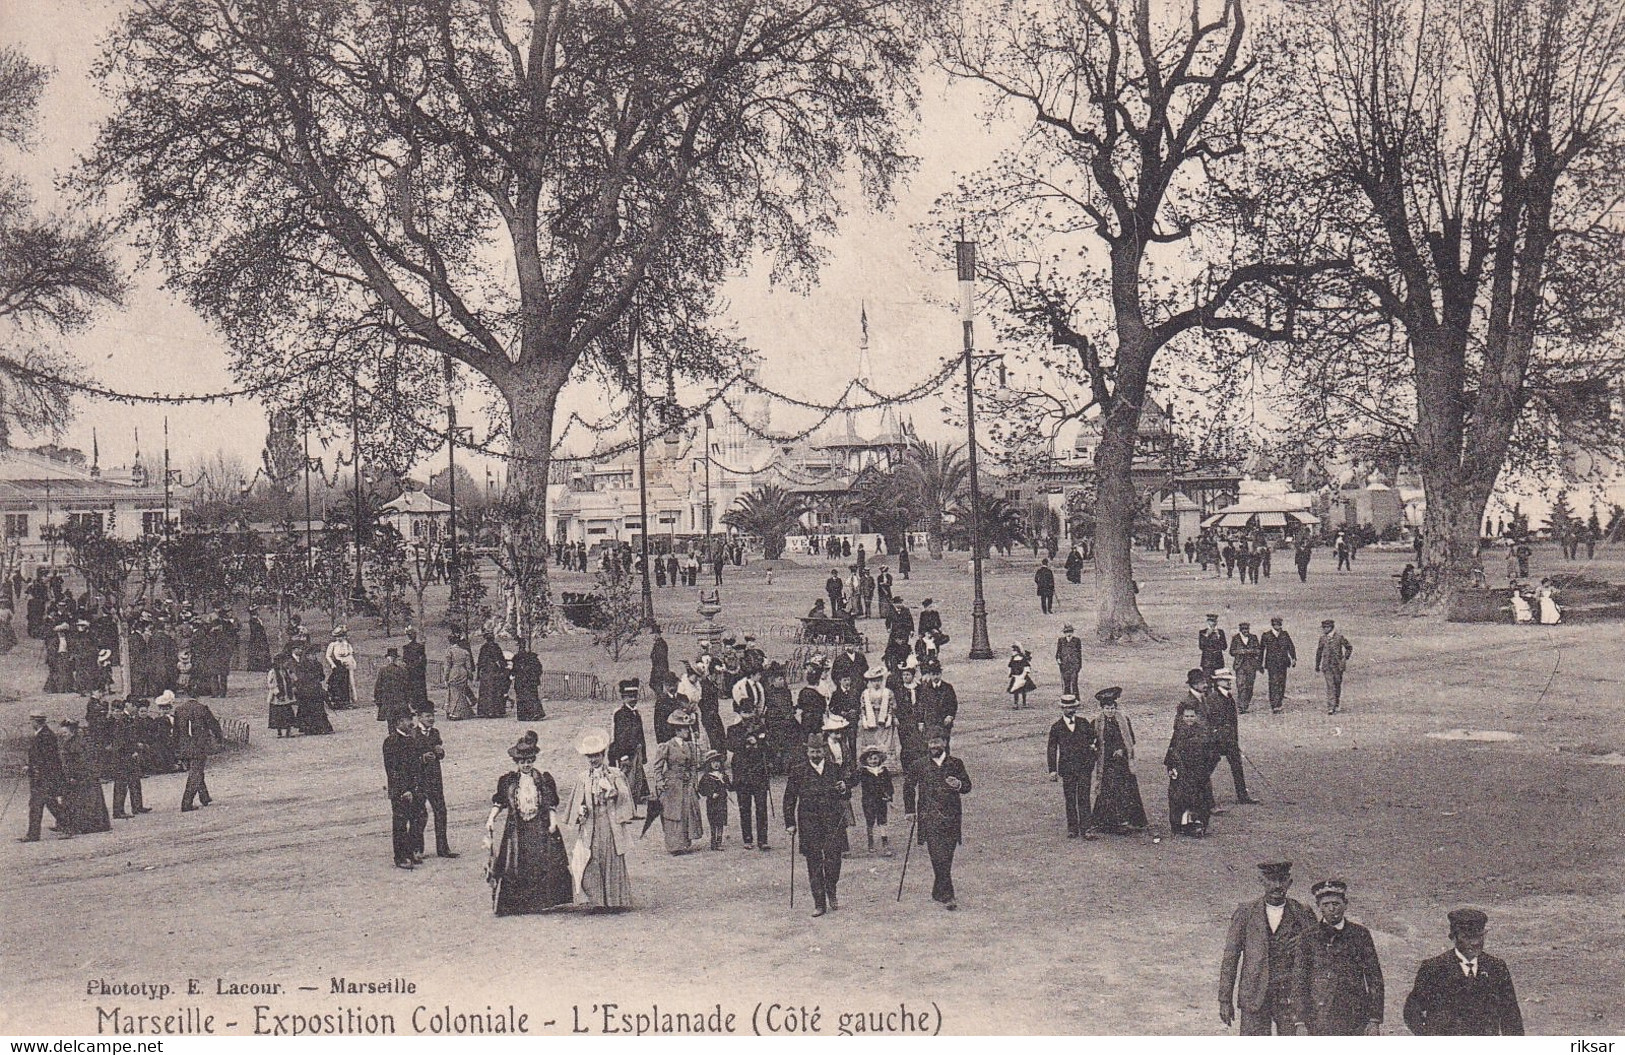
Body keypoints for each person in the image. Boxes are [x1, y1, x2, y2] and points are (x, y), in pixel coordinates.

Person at [1219, 861, 1317, 1034]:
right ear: (1261, 881)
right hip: (1254, 996)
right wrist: (1225, 1000)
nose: (1277, 886)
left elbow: (1318, 955)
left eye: (1281, 880)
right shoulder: (1246, 913)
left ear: (1289, 882)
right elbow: (1230, 957)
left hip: (1290, 997)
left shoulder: (1302, 913)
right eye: (1271, 880)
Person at [484, 737, 572, 915]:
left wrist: (553, 822)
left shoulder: (543, 780)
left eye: (529, 761)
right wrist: (491, 818)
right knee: (516, 864)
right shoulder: (508, 781)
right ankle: (518, 904)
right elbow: (500, 803)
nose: (526, 765)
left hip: (539, 827)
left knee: (539, 863)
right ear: (516, 762)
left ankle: (539, 903)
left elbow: (550, 804)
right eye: (522, 762)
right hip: (516, 829)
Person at [1403, 908, 1524, 1035]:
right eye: (1467, 937)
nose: (1475, 942)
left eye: (1479, 936)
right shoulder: (1434, 968)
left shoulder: (1496, 968)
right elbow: (1412, 1011)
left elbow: (1511, 1017)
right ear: (1453, 938)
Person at [1292, 878, 1384, 1035]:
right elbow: (1299, 979)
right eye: (1326, 905)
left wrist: (1374, 1019)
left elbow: (1374, 977)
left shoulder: (1360, 934)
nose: (1331, 909)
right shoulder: (1307, 937)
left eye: (1336, 904)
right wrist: (1300, 1021)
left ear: (1345, 904)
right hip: (1318, 1017)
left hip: (1354, 1017)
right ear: (1318, 907)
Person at [561, 728, 636, 909]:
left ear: (603, 754)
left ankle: (615, 901)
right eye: (589, 756)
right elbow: (575, 803)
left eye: (596, 755)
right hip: (591, 825)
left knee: (611, 858)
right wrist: (581, 811)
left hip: (609, 823)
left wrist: (615, 793)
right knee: (590, 859)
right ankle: (598, 901)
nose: (593, 759)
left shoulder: (615, 774)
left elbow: (626, 798)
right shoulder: (583, 778)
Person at [903, 728, 972, 910]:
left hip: (951, 817)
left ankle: (937, 889)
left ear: (945, 743)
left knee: (946, 856)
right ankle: (948, 896)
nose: (933, 745)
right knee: (937, 856)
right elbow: (908, 786)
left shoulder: (956, 764)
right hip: (929, 816)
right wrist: (909, 810)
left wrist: (959, 784)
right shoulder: (919, 765)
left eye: (937, 741)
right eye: (930, 742)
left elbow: (967, 786)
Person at [784, 733, 850, 917]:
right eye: (812, 751)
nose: (815, 754)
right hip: (808, 821)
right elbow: (789, 798)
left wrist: (845, 789)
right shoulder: (798, 771)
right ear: (807, 752)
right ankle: (819, 902)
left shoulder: (834, 768)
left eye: (818, 751)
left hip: (832, 821)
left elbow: (845, 794)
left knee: (834, 859)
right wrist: (790, 823)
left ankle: (831, 887)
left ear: (824, 751)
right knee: (813, 861)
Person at [1089, 687, 1146, 833]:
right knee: (1108, 790)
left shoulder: (1123, 721)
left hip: (1122, 763)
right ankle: (1107, 822)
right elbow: (1092, 741)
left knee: (1126, 789)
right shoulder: (1096, 723)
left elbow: (1130, 739)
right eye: (1107, 708)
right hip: (1106, 763)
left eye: (1112, 708)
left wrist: (1122, 749)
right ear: (1102, 709)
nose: (1110, 711)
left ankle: (1129, 820)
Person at [649, 710, 705, 854]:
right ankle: (674, 845)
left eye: (688, 728)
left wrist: (693, 781)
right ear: (677, 730)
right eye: (684, 728)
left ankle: (685, 842)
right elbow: (657, 766)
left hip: (686, 783)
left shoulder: (690, 746)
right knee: (673, 814)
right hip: (672, 784)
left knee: (686, 812)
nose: (687, 731)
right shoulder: (666, 746)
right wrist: (660, 782)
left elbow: (693, 765)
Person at [1047, 694, 1098, 839]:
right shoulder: (1056, 727)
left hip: (1084, 768)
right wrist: (1052, 770)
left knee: (1084, 797)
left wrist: (1091, 759)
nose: (1070, 710)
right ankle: (1072, 828)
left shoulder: (1083, 723)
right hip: (1067, 769)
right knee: (1070, 798)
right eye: (1067, 708)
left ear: (1076, 708)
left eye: (1072, 707)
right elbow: (1051, 749)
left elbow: (1094, 741)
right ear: (1062, 709)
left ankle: (1086, 828)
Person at [726, 697, 773, 850]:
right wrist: (747, 740)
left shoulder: (762, 728)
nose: (748, 716)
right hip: (742, 774)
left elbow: (770, 746)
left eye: (750, 712)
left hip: (759, 772)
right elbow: (731, 746)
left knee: (761, 807)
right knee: (744, 808)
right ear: (740, 713)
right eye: (745, 713)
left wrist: (758, 742)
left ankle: (763, 840)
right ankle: (747, 838)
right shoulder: (733, 729)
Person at [1204, 668, 1256, 806]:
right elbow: (1214, 721)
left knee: (1237, 767)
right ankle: (1199, 793)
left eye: (1228, 680)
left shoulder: (1228, 697)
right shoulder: (1213, 698)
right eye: (1225, 680)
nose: (1228, 682)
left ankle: (1243, 796)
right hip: (1218, 741)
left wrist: (1234, 739)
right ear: (1218, 682)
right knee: (1207, 768)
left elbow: (1232, 723)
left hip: (1230, 740)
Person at [1165, 702, 1216, 837]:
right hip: (1181, 772)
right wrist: (1171, 768)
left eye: (1191, 716)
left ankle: (1198, 825)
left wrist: (1205, 770)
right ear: (1182, 717)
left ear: (1196, 716)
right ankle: (1180, 825)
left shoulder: (1203, 733)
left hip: (1198, 772)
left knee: (1199, 798)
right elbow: (1171, 751)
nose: (1189, 719)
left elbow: (1211, 754)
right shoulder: (1178, 732)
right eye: (1186, 716)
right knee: (1178, 798)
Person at [20, 711, 70, 841]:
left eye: (32, 721)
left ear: (36, 722)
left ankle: (68, 827)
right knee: (41, 804)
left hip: (45, 777)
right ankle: (33, 834)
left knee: (46, 804)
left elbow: (48, 759)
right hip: (39, 777)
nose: (31, 723)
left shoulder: (47, 736)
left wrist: (30, 767)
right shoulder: (41, 734)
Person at [383, 711, 424, 868]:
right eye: (408, 720)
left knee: (415, 820)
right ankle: (400, 857)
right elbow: (393, 770)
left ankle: (410, 853)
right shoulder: (391, 742)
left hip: (413, 789)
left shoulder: (410, 739)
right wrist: (403, 790)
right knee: (400, 824)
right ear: (399, 722)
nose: (412, 723)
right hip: (400, 791)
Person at [414, 709, 456, 858]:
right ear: (419, 717)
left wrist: (440, 752)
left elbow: (440, 753)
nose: (431, 719)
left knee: (441, 811)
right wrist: (422, 758)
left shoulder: (435, 733)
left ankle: (443, 848)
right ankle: (417, 849)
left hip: (435, 779)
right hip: (419, 779)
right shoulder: (413, 734)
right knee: (419, 814)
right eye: (427, 716)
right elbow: (409, 759)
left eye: (432, 716)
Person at [57, 718, 110, 835]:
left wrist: (74, 775)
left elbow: (81, 762)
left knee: (87, 801)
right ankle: (72, 824)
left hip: (83, 776)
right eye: (61, 734)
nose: (63, 735)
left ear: (72, 732)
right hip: (79, 776)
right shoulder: (69, 742)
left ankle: (87, 825)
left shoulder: (77, 743)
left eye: (65, 733)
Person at [174, 696, 223, 812]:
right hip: (199, 746)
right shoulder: (202, 709)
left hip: (185, 746)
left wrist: (176, 748)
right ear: (198, 697)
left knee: (196, 771)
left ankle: (204, 796)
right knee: (195, 774)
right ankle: (186, 802)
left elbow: (176, 731)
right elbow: (214, 725)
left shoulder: (179, 709)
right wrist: (219, 739)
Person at [105, 697, 151, 819]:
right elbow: (121, 742)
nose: (118, 713)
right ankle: (118, 810)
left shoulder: (123, 721)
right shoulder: (113, 723)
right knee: (121, 784)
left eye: (119, 711)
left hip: (126, 755)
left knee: (134, 780)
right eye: (115, 711)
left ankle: (137, 806)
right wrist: (132, 751)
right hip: (121, 756)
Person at [610, 678, 650, 808]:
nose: (633, 699)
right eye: (629, 697)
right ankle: (625, 808)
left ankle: (634, 806)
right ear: (623, 698)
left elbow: (641, 735)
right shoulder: (621, 714)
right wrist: (623, 756)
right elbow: (620, 737)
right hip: (627, 754)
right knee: (626, 781)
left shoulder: (636, 714)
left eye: (635, 696)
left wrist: (643, 754)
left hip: (636, 752)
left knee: (636, 780)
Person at [856, 664, 899, 765]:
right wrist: (864, 719)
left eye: (879, 680)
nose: (877, 683)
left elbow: (892, 706)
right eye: (874, 681)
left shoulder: (887, 692)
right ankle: (870, 763)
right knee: (871, 742)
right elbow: (862, 707)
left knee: (885, 742)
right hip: (871, 719)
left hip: (883, 719)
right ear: (870, 682)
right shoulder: (865, 693)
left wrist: (889, 717)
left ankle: (887, 764)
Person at [1314, 619, 1355, 715]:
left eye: (1326, 627)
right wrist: (1317, 664)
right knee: (1330, 686)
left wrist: (1345, 658)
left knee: (1337, 684)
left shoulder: (1339, 637)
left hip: (1337, 666)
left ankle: (1336, 703)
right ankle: (1331, 707)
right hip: (1326, 666)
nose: (1324, 629)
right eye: (1323, 627)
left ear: (1331, 627)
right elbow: (1319, 652)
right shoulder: (1323, 639)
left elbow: (1349, 647)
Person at [857, 745, 893, 855]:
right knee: (870, 821)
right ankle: (871, 842)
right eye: (870, 759)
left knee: (883, 820)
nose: (873, 761)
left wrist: (889, 795)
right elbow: (853, 781)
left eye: (875, 758)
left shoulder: (884, 770)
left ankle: (885, 842)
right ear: (866, 760)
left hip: (881, 800)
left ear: (879, 759)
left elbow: (889, 785)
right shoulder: (863, 772)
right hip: (869, 801)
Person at [291, 643, 334, 734]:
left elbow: (322, 676)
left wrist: (318, 678)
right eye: (312, 655)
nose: (314, 656)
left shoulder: (318, 664)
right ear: (307, 656)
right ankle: (309, 728)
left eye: (315, 654)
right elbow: (300, 677)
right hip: (306, 689)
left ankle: (322, 727)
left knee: (319, 708)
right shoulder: (302, 665)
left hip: (316, 688)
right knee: (308, 709)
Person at [1261, 617, 1296, 714]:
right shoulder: (1266, 635)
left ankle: (1279, 702)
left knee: (1281, 683)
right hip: (1272, 664)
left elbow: (1290, 646)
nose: (1279, 627)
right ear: (1273, 625)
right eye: (1277, 625)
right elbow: (1261, 650)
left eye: (1280, 625)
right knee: (1273, 683)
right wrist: (1260, 664)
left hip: (1283, 663)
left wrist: (1293, 658)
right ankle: (1274, 705)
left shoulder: (1285, 634)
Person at [698, 751, 731, 850]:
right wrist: (711, 794)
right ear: (709, 764)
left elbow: (729, 786)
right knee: (713, 822)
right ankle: (713, 842)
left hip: (722, 802)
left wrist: (724, 783)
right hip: (712, 803)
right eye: (713, 762)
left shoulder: (723, 775)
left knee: (721, 822)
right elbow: (701, 789)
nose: (716, 764)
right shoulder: (707, 777)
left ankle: (719, 842)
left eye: (718, 762)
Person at [372, 648, 412, 725]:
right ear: (397, 659)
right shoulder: (403, 670)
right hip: (400, 702)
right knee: (400, 724)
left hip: (388, 702)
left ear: (388, 658)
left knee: (391, 725)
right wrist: (408, 700)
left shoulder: (383, 670)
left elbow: (378, 687)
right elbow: (408, 687)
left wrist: (378, 700)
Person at [1229, 622, 1263, 713]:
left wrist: (1250, 651)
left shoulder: (1254, 638)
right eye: (1244, 630)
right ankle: (1241, 706)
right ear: (1240, 630)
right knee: (1241, 685)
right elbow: (1231, 652)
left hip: (1251, 665)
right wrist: (1240, 652)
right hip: (1240, 665)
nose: (1246, 631)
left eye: (1247, 629)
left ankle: (1246, 704)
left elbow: (1258, 650)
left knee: (1249, 686)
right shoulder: (1235, 638)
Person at [476, 631, 509, 718]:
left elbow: (480, 662)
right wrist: (503, 668)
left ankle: (485, 711)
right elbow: (501, 659)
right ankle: (497, 711)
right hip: (495, 671)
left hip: (486, 672)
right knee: (496, 690)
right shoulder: (496, 647)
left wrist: (478, 674)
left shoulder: (484, 648)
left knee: (486, 691)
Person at [510, 638, 544, 720]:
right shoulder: (531, 657)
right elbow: (539, 669)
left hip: (522, 681)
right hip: (529, 681)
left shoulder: (517, 658)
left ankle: (526, 715)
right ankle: (533, 713)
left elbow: (514, 671)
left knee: (524, 697)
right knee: (531, 696)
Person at [444, 633, 476, 720]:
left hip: (454, 671)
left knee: (454, 692)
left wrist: (446, 677)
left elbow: (447, 666)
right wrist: (470, 675)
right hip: (463, 672)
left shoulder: (449, 651)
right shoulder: (465, 652)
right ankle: (465, 712)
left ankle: (455, 713)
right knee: (461, 692)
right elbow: (468, 666)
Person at [325, 626, 356, 707]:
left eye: (341, 636)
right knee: (338, 682)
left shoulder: (347, 644)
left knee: (349, 681)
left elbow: (351, 654)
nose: (339, 638)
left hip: (348, 664)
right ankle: (338, 700)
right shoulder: (333, 645)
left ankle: (349, 700)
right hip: (338, 664)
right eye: (338, 636)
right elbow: (328, 656)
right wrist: (332, 664)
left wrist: (353, 662)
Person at [268, 651, 297, 737]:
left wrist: (292, 673)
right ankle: (279, 731)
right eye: (285, 662)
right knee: (278, 714)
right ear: (280, 663)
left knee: (288, 714)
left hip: (286, 696)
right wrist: (278, 694)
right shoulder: (273, 672)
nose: (286, 664)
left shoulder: (286, 671)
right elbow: (272, 685)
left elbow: (294, 679)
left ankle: (288, 731)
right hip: (278, 697)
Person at [401, 626, 429, 711]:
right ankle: (422, 704)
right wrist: (422, 668)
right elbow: (423, 659)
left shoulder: (406, 647)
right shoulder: (420, 646)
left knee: (412, 688)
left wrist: (409, 667)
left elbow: (405, 660)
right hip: (419, 671)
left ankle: (414, 705)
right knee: (420, 687)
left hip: (410, 670)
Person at [1055, 623, 1083, 697]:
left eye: (1070, 632)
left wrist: (1079, 665)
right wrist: (1058, 659)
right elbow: (1058, 652)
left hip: (1074, 664)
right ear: (1064, 633)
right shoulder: (1061, 640)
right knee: (1066, 682)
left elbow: (1079, 653)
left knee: (1074, 682)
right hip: (1064, 665)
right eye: (1067, 632)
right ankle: (1066, 699)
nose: (1068, 634)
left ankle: (1076, 698)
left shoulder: (1077, 640)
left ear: (1072, 632)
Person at [1006, 643, 1035, 710]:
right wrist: (1011, 673)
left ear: (1017, 651)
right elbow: (1010, 666)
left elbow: (1026, 667)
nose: (1012, 652)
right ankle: (1016, 703)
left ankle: (1024, 702)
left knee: (1023, 690)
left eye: (1014, 651)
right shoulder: (1013, 659)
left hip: (1022, 676)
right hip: (1015, 676)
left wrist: (1024, 675)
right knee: (1015, 691)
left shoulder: (1023, 659)